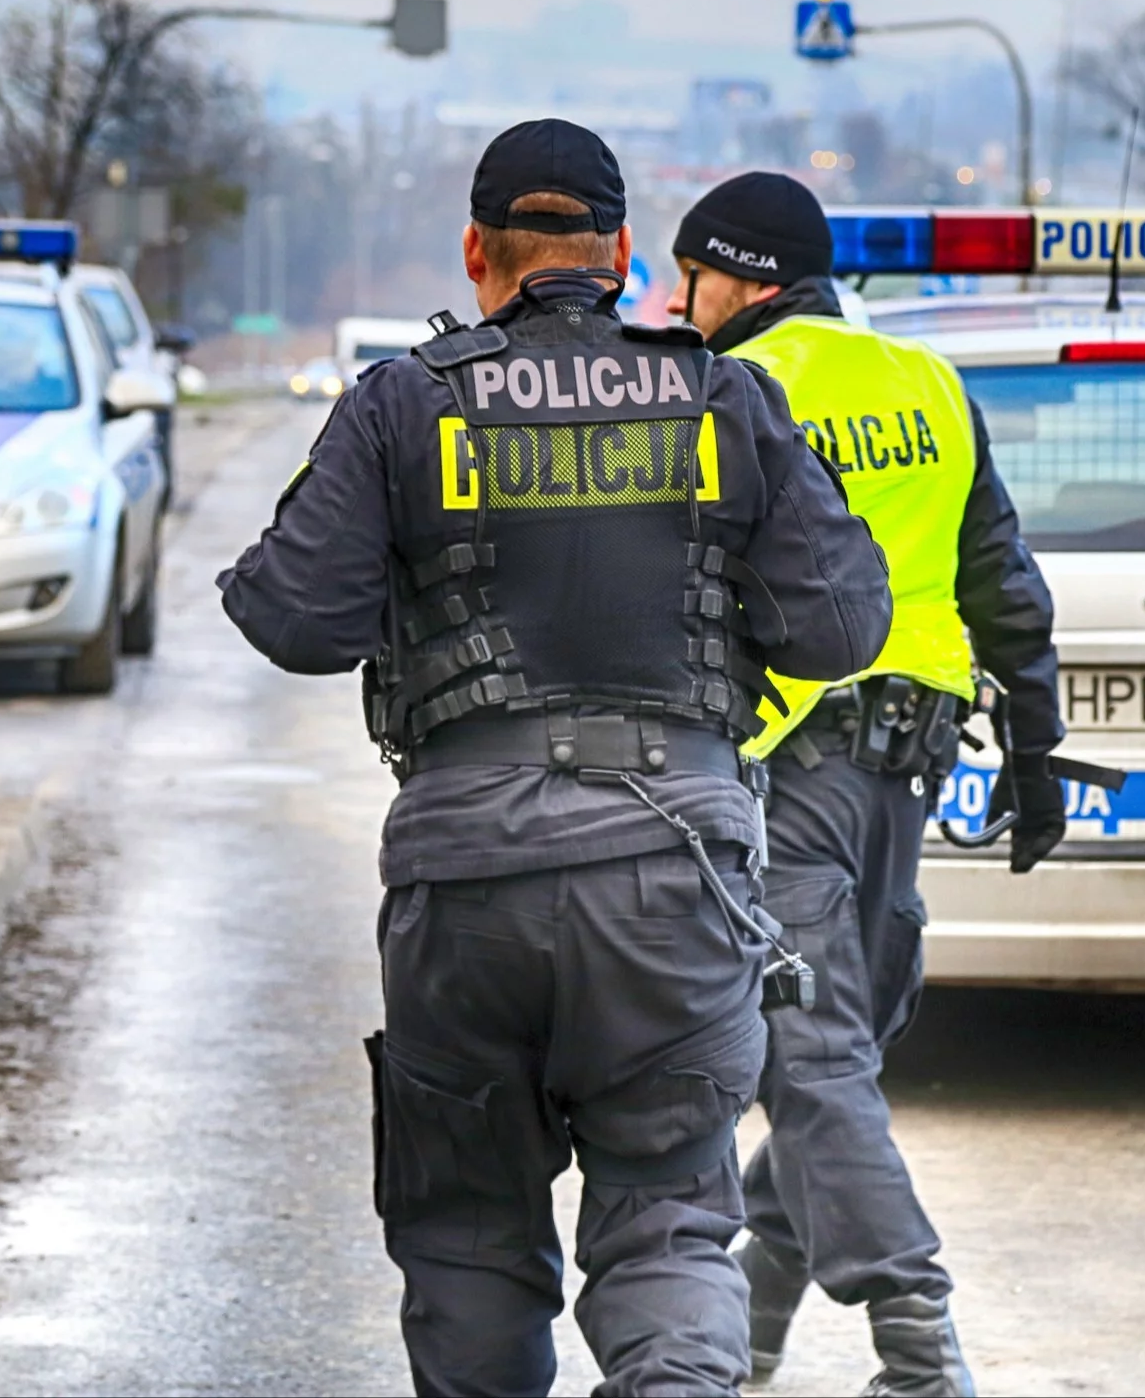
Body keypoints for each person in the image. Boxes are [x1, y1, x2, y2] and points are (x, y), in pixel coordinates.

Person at [218, 120, 894, 1396]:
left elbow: (290, 614)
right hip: (678, 876)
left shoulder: (405, 399)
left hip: (465, 881)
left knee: (469, 1236)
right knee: (670, 1223)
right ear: (624, 255)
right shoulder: (722, 392)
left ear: (478, 250)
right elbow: (845, 622)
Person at [666, 172, 1067, 1398]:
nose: (678, 304)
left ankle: (917, 1342)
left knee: (810, 1054)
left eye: (689, 278)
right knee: (832, 1051)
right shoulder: (930, 383)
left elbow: (678, 580)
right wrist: (1040, 741)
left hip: (792, 762)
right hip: (911, 771)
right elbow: (997, 570)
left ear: (743, 277)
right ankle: (748, 1343)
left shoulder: (738, 386)